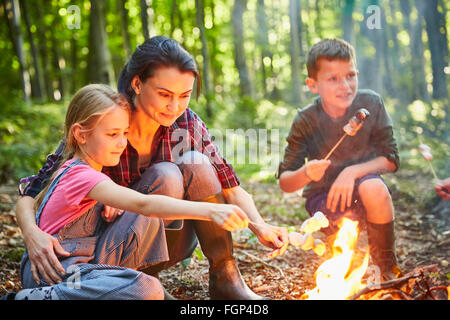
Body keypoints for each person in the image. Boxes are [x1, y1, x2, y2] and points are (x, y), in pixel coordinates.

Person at [14, 36, 289, 300]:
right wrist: (32, 235)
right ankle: (129, 286)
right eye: (164, 94)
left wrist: (260, 226)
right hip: (92, 251)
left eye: (184, 95)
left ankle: (225, 278)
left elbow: (231, 186)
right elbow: (34, 192)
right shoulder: (105, 122)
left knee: (196, 163)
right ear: (137, 83)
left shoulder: (186, 124)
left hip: (164, 238)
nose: (174, 107)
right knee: (167, 175)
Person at [277, 38, 401, 280]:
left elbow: (391, 158)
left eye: (351, 75)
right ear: (313, 85)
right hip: (325, 200)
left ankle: (386, 267)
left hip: (366, 189)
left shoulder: (371, 103)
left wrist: (351, 172)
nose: (345, 85)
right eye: (333, 79)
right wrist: (305, 173)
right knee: (342, 253)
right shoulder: (305, 120)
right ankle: (340, 268)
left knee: (374, 187)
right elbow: (285, 182)